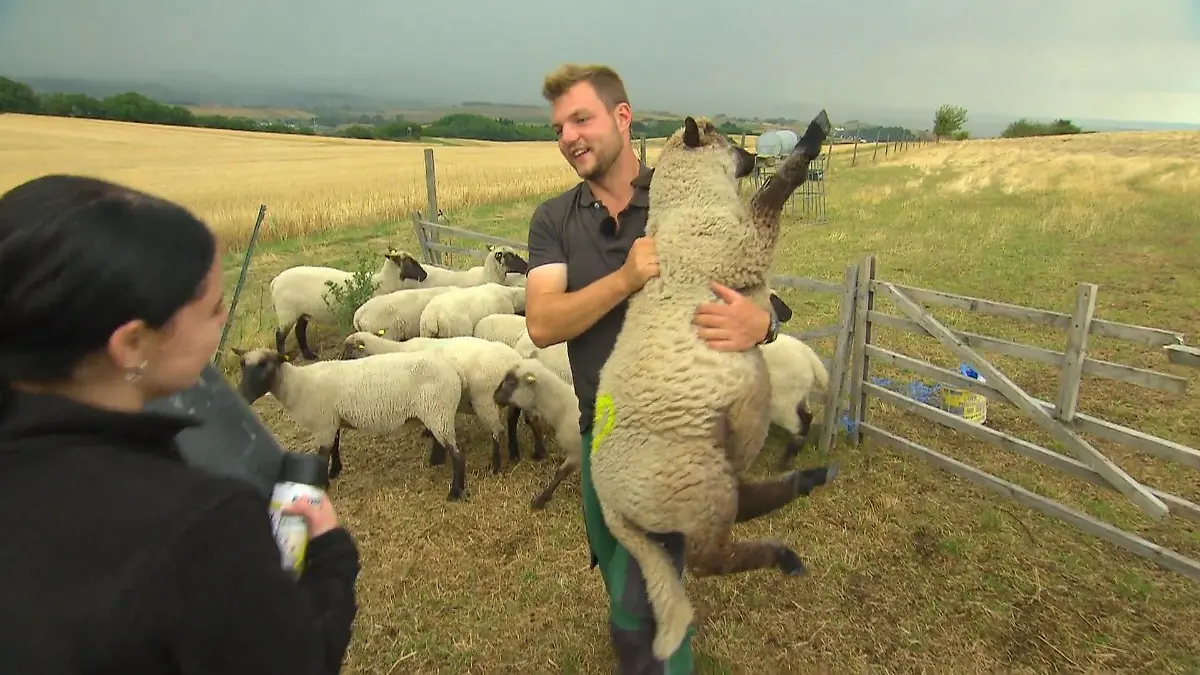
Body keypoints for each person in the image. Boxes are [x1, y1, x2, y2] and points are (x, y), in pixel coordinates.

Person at [0, 174, 361, 675]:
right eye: (213, 309)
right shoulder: (199, 523)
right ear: (132, 344)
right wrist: (331, 556)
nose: (221, 324)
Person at [524, 64, 784, 674]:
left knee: (643, 600)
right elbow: (542, 323)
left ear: (622, 117)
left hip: (678, 435)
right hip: (605, 431)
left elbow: (752, 283)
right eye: (559, 127)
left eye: (581, 119)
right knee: (624, 575)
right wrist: (624, 279)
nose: (569, 137)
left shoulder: (688, 194)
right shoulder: (553, 221)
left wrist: (763, 322)